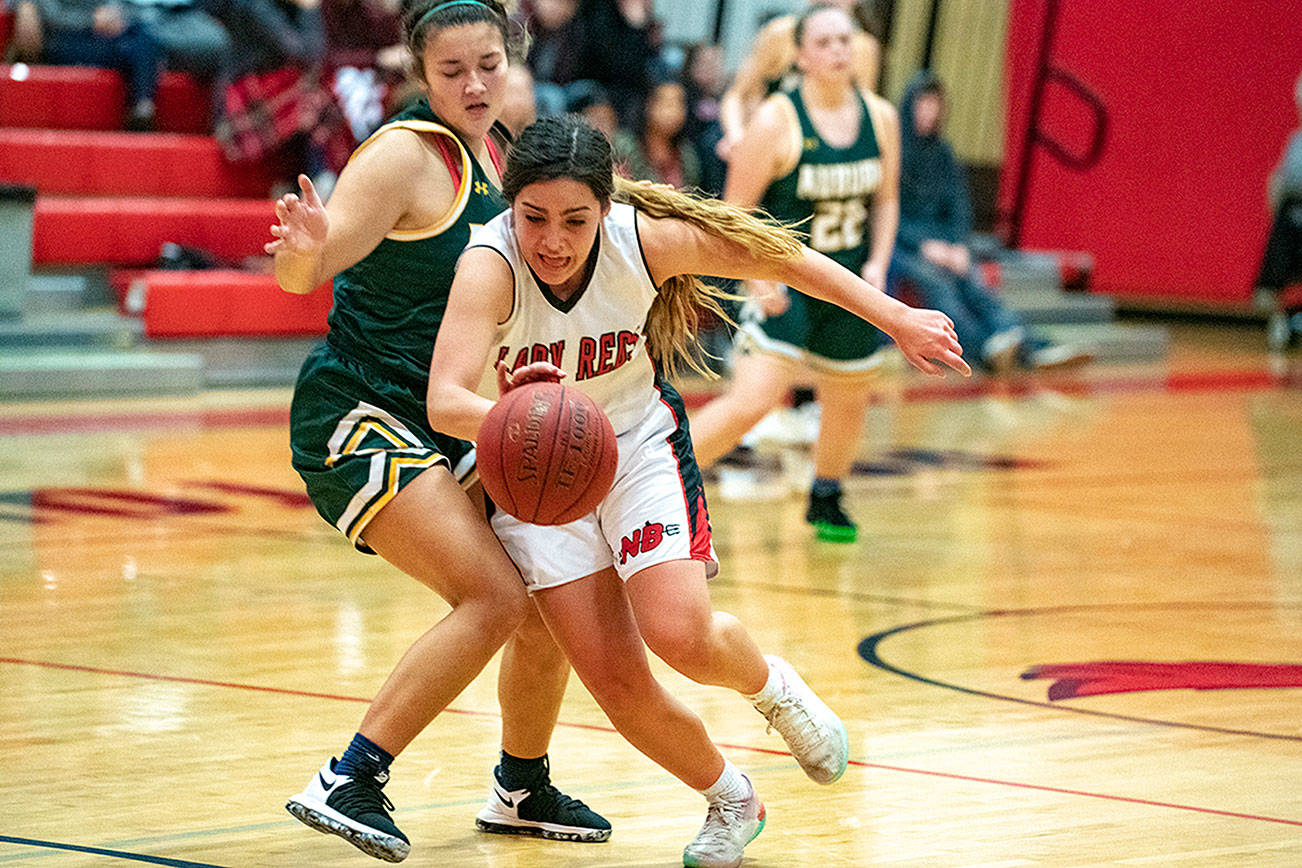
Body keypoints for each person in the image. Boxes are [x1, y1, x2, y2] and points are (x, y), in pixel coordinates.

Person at [426, 113, 966, 868]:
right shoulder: (489, 263)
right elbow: (446, 399)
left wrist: (897, 316)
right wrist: (526, 422)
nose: (552, 239)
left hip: (637, 448)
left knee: (680, 634)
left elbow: (782, 259)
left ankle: (774, 690)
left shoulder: (644, 238)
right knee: (615, 682)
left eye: (575, 220)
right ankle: (732, 799)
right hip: (538, 475)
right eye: (534, 217)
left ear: (606, 209)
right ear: (509, 206)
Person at [264, 1, 609, 861]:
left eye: (488, 64)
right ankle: (350, 776)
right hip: (361, 410)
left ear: (512, 60)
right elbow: (308, 269)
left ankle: (521, 785)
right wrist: (300, 247)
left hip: (447, 419)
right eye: (452, 71)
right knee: (492, 595)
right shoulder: (404, 155)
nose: (474, 83)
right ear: (422, 76)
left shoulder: (500, 158)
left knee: (546, 589)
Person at [688, 3, 904, 544]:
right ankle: (661, 482)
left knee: (849, 395)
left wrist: (878, 261)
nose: (839, 51)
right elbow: (734, 211)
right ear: (802, 56)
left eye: (845, 40)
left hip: (849, 278)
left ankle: (826, 494)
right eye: (826, 42)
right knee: (754, 399)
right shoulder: (775, 119)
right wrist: (759, 280)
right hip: (784, 277)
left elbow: (887, 199)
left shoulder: (880, 116)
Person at [892, 69, 1094, 375]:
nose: (930, 111)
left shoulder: (944, 154)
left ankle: (1030, 347)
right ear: (910, 105)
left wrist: (958, 246)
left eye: (935, 104)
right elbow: (887, 214)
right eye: (924, 103)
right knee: (941, 289)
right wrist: (926, 246)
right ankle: (986, 349)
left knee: (977, 288)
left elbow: (959, 208)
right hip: (905, 246)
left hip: (946, 244)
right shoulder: (893, 150)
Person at [716, 0, 880, 162]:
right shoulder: (779, 33)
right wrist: (736, 135)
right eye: (822, 43)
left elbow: (863, 115)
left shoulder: (864, 48)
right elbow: (737, 94)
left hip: (819, 157)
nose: (836, 49)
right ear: (800, 53)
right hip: (766, 147)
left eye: (843, 41)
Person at [1257, 71, 1302, 351]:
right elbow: (1278, 182)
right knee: (1279, 272)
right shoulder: (1296, 142)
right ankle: (1282, 321)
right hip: (1291, 217)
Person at [612, 78, 700, 189]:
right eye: (667, 104)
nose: (674, 111)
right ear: (648, 104)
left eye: (680, 104)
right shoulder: (623, 145)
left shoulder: (687, 154)